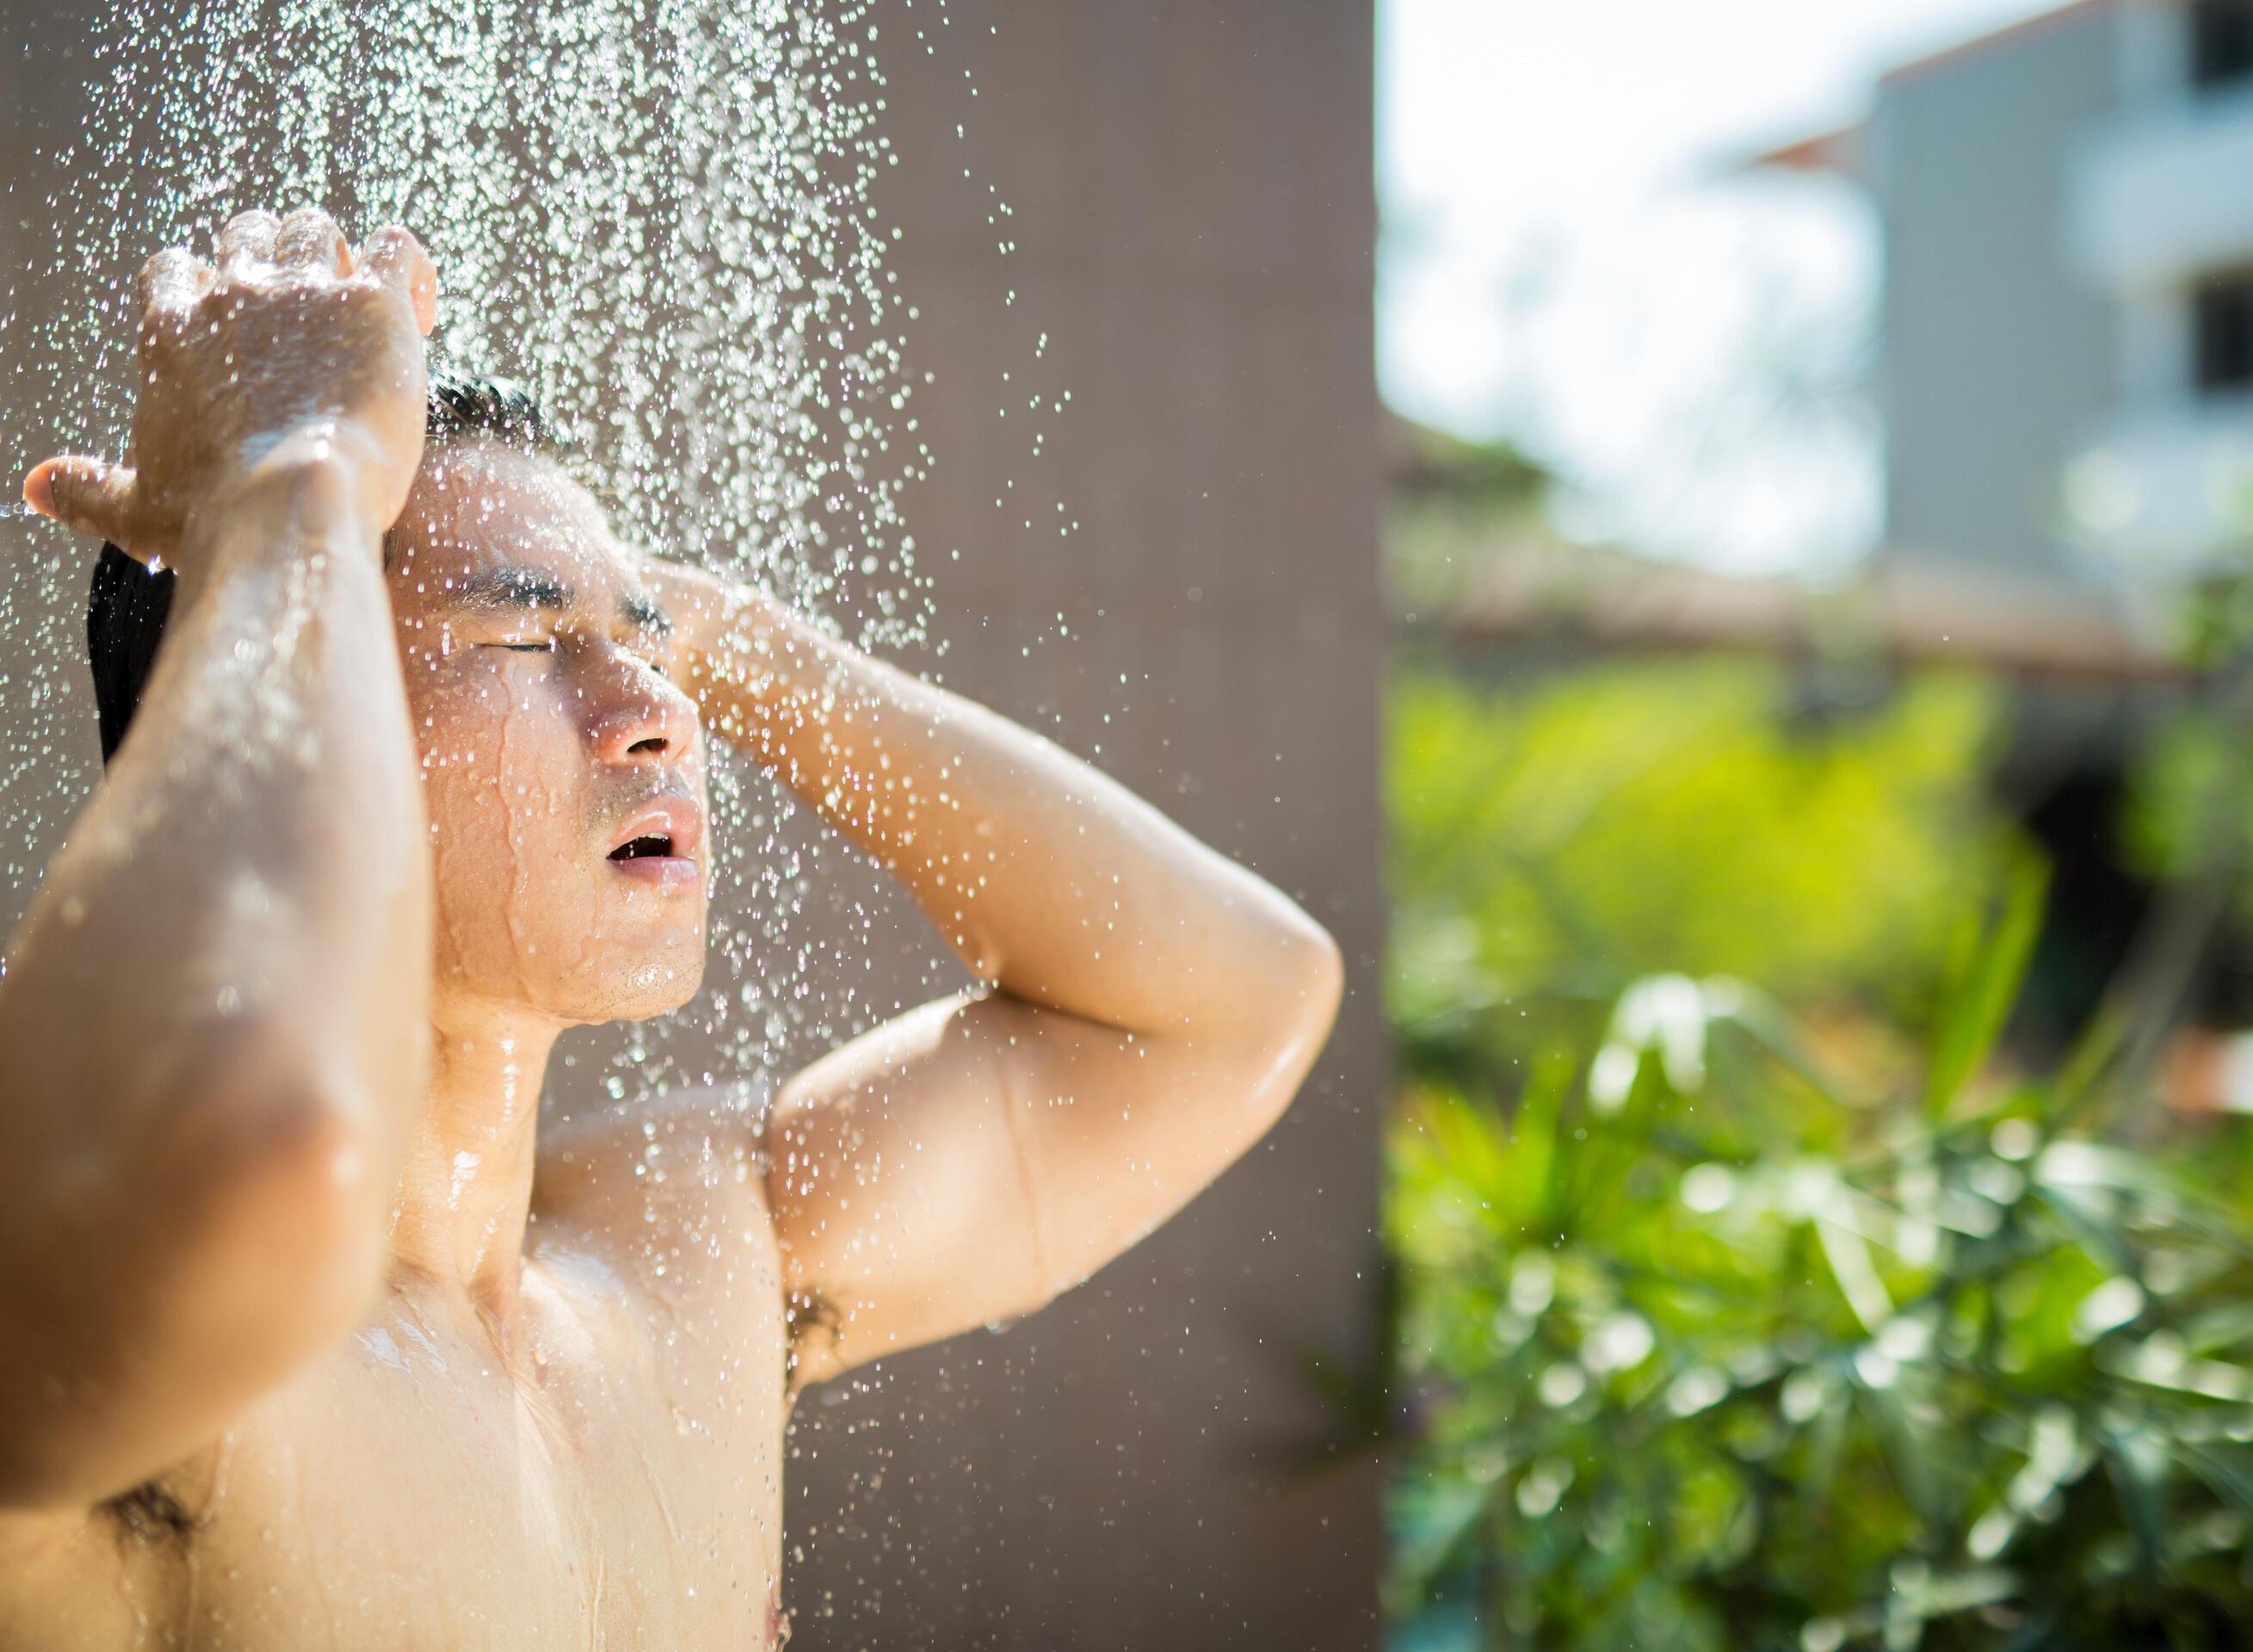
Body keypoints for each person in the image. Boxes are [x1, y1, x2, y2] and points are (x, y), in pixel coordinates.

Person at [0, 207, 1342, 1646]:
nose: (657, 713)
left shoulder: (691, 1258)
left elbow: (1229, 1006)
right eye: (520, 639)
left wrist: (718, 635)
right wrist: (288, 482)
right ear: (291, 685)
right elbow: (249, 1151)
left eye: (643, 646)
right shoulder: (158, 1383)